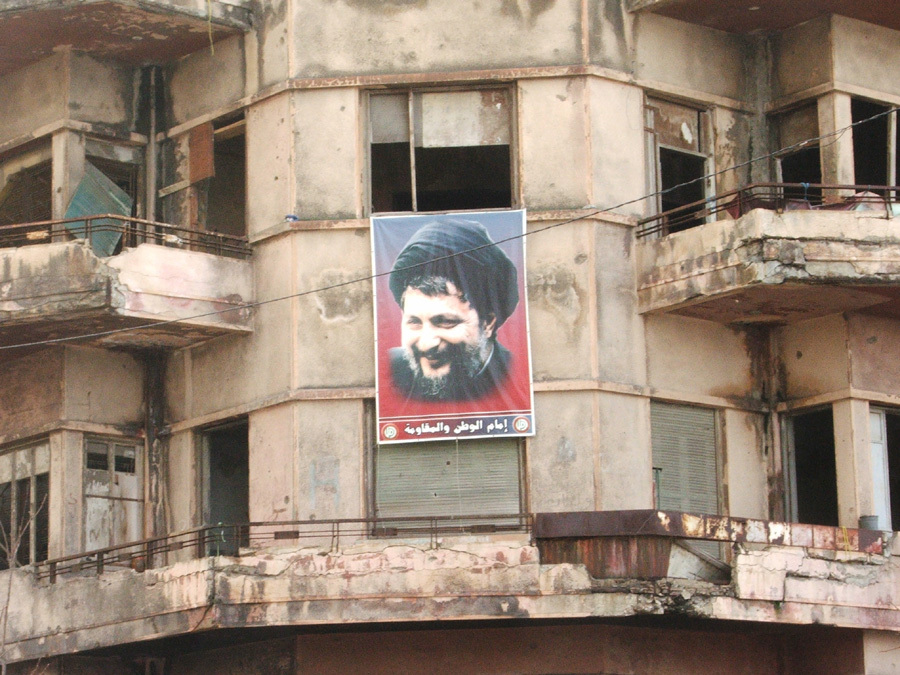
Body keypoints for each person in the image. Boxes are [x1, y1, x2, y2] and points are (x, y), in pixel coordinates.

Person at [387, 218, 519, 402]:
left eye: (445, 322)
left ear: (488, 323)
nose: (426, 345)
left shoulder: (515, 374)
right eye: (414, 322)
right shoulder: (389, 371)